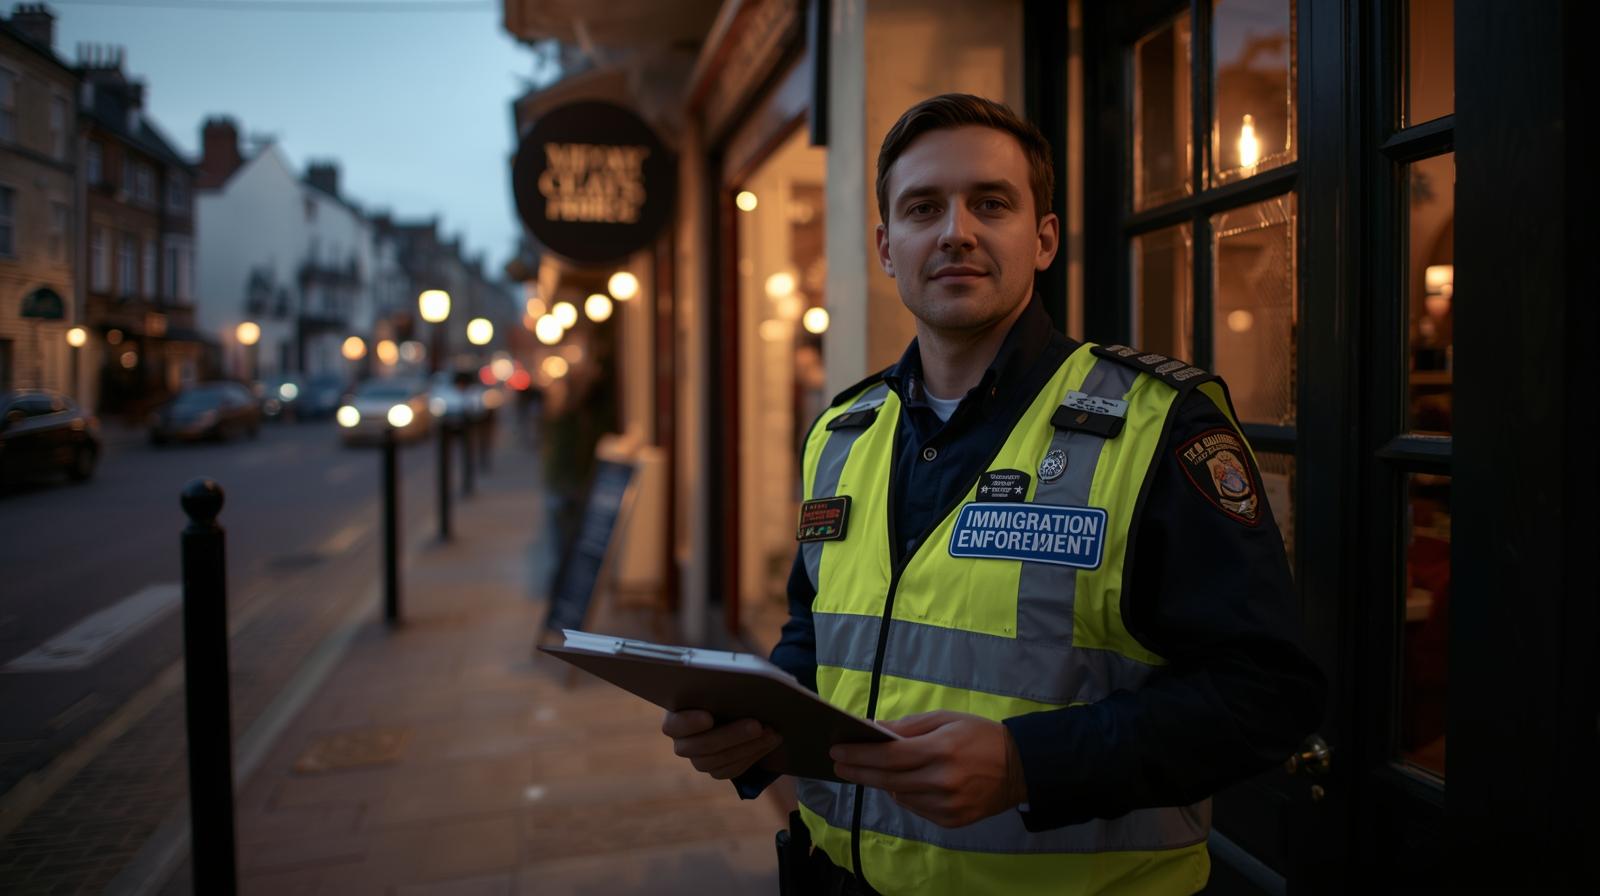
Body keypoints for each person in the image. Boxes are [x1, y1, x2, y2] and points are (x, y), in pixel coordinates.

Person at [661, 94, 1325, 895]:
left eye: (991, 203)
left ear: (1042, 240)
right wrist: (761, 727)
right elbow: (818, 632)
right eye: (923, 208)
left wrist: (1025, 765)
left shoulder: (1159, 427)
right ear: (885, 246)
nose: (955, 231)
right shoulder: (844, 432)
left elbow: (1267, 696)